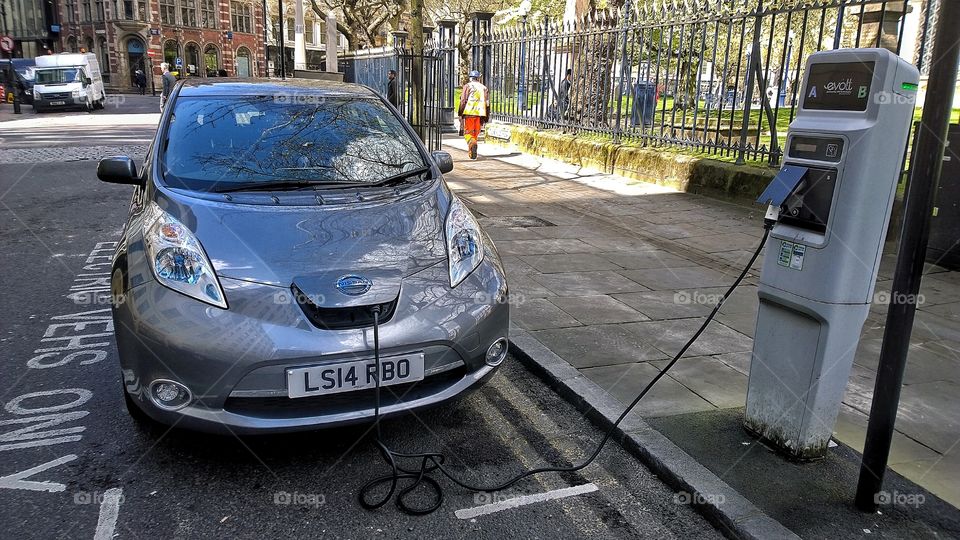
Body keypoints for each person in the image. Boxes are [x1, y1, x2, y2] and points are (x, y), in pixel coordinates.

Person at [458, 70, 489, 160]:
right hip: (480, 114)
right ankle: (471, 152)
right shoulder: (484, 88)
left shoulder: (467, 86)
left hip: (469, 113)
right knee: (475, 133)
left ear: (470, 78)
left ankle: (473, 144)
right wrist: (486, 116)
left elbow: (463, 100)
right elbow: (487, 103)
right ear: (478, 78)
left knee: (468, 133)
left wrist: (460, 112)